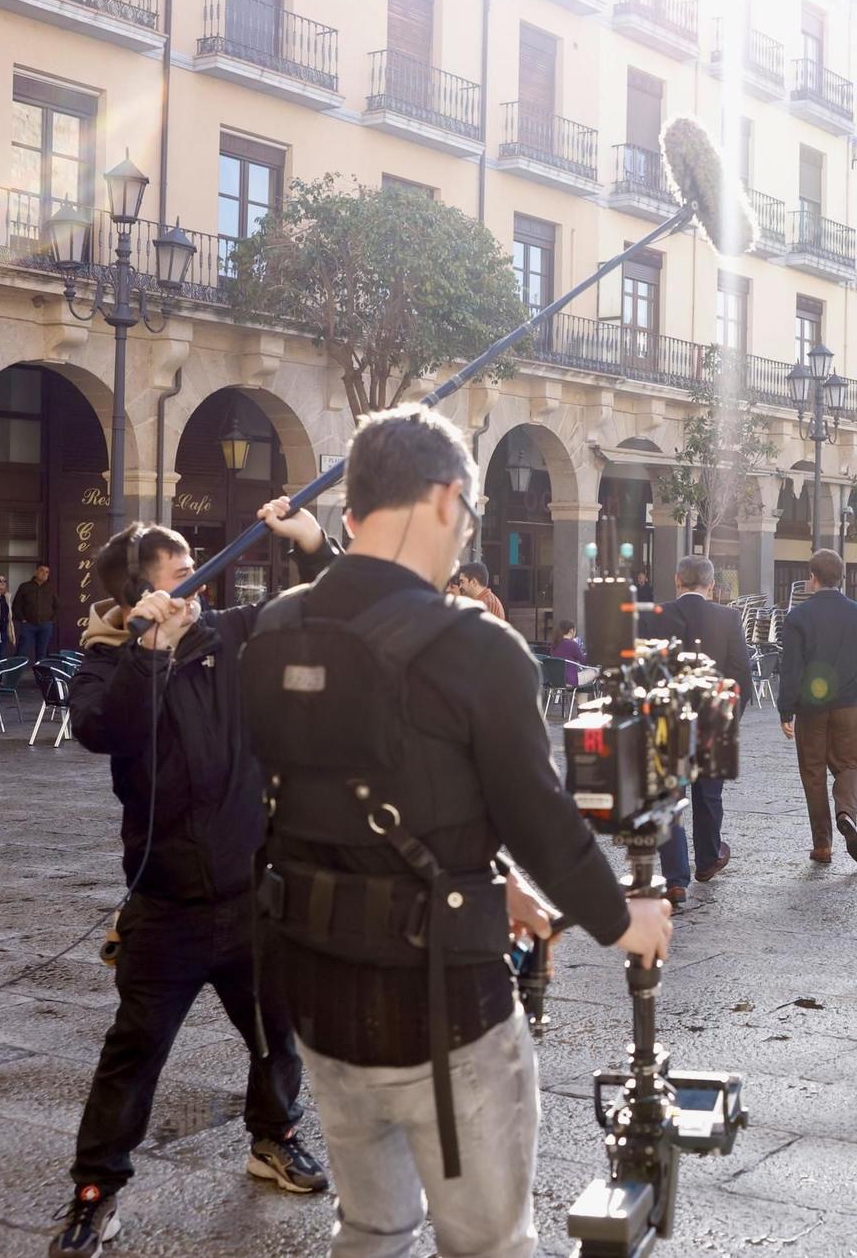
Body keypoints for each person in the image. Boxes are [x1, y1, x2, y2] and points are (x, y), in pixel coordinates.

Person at [239, 403, 672, 1258]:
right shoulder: (479, 646)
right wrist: (628, 921)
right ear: (445, 499)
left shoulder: (276, 628)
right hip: (445, 1015)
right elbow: (542, 820)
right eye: (468, 515)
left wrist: (490, 878)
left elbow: (330, 802)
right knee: (490, 1246)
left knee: (369, 1230)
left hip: (316, 998)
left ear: (355, 510)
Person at [50, 499, 338, 1257]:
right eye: (181, 576)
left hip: (250, 891)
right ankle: (95, 1191)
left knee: (277, 1033)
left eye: (196, 572)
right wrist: (149, 651)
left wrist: (311, 541)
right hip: (167, 905)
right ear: (137, 596)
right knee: (134, 1051)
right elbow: (102, 731)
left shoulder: (234, 637)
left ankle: (273, 1135)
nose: (197, 586)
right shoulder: (109, 661)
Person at [654, 555, 755, 901]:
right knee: (709, 795)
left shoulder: (658, 616)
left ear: (677, 580)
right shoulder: (729, 617)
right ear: (712, 586)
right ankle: (708, 860)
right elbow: (742, 674)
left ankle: (675, 879)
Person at [776, 549, 857, 865]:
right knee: (849, 765)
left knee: (813, 772)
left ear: (813, 578)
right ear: (842, 578)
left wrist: (786, 710)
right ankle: (846, 813)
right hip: (849, 705)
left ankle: (822, 845)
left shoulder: (798, 618)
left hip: (811, 709)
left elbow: (791, 668)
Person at [13, 563, 59, 665]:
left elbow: (57, 606)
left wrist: (52, 620)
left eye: (47, 572)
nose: (44, 574)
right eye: (42, 571)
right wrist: (22, 619)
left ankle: (40, 678)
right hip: (28, 625)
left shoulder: (51, 588)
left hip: (45, 625)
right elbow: (16, 605)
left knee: (42, 653)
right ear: (36, 572)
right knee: (22, 651)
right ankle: (14, 677)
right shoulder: (25, 586)